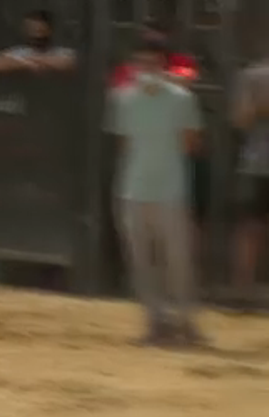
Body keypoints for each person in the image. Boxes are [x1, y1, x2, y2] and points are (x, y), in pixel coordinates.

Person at [107, 40, 206, 346]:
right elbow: (123, 143)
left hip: (169, 190)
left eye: (152, 64)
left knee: (178, 260)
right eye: (141, 63)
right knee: (142, 262)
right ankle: (156, 322)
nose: (146, 70)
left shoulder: (181, 99)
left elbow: (190, 144)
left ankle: (187, 322)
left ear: (163, 66)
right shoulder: (122, 99)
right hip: (133, 189)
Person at [230, 54, 269, 297]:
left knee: (250, 228)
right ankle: (243, 288)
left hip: (256, 162)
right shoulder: (253, 75)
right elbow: (240, 119)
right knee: (250, 227)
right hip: (258, 162)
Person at [0, 8, 76, 73]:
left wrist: (25, 62)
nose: (37, 35)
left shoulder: (64, 52)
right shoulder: (16, 52)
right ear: (25, 30)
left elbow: (70, 64)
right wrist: (28, 65)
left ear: (50, 30)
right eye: (32, 29)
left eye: (41, 31)